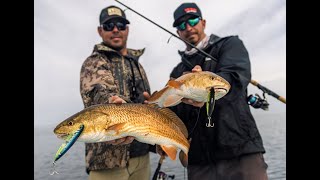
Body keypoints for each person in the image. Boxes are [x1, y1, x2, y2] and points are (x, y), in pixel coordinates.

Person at [152, 2, 269, 180]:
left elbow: (235, 77)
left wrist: (205, 93)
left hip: (240, 152)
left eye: (192, 20)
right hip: (199, 161)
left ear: (203, 22)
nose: (188, 27)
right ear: (178, 33)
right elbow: (177, 114)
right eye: (182, 25)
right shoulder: (176, 72)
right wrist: (156, 109)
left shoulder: (229, 44)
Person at [80, 5, 153, 180]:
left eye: (120, 25)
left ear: (126, 29)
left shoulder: (137, 64)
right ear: (100, 31)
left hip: (142, 158)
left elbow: (147, 105)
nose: (115, 30)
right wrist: (110, 101)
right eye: (109, 26)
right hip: (108, 163)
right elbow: (96, 91)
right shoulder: (94, 61)